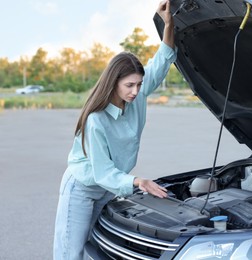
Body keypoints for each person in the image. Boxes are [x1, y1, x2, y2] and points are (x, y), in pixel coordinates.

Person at [53, 1, 176, 259]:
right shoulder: (95, 120)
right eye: (129, 85)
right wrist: (138, 182)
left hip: (109, 189)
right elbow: (103, 172)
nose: (135, 91)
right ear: (114, 82)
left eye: (139, 84)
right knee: (71, 253)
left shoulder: (138, 97)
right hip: (83, 189)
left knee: (97, 250)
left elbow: (162, 59)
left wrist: (169, 23)